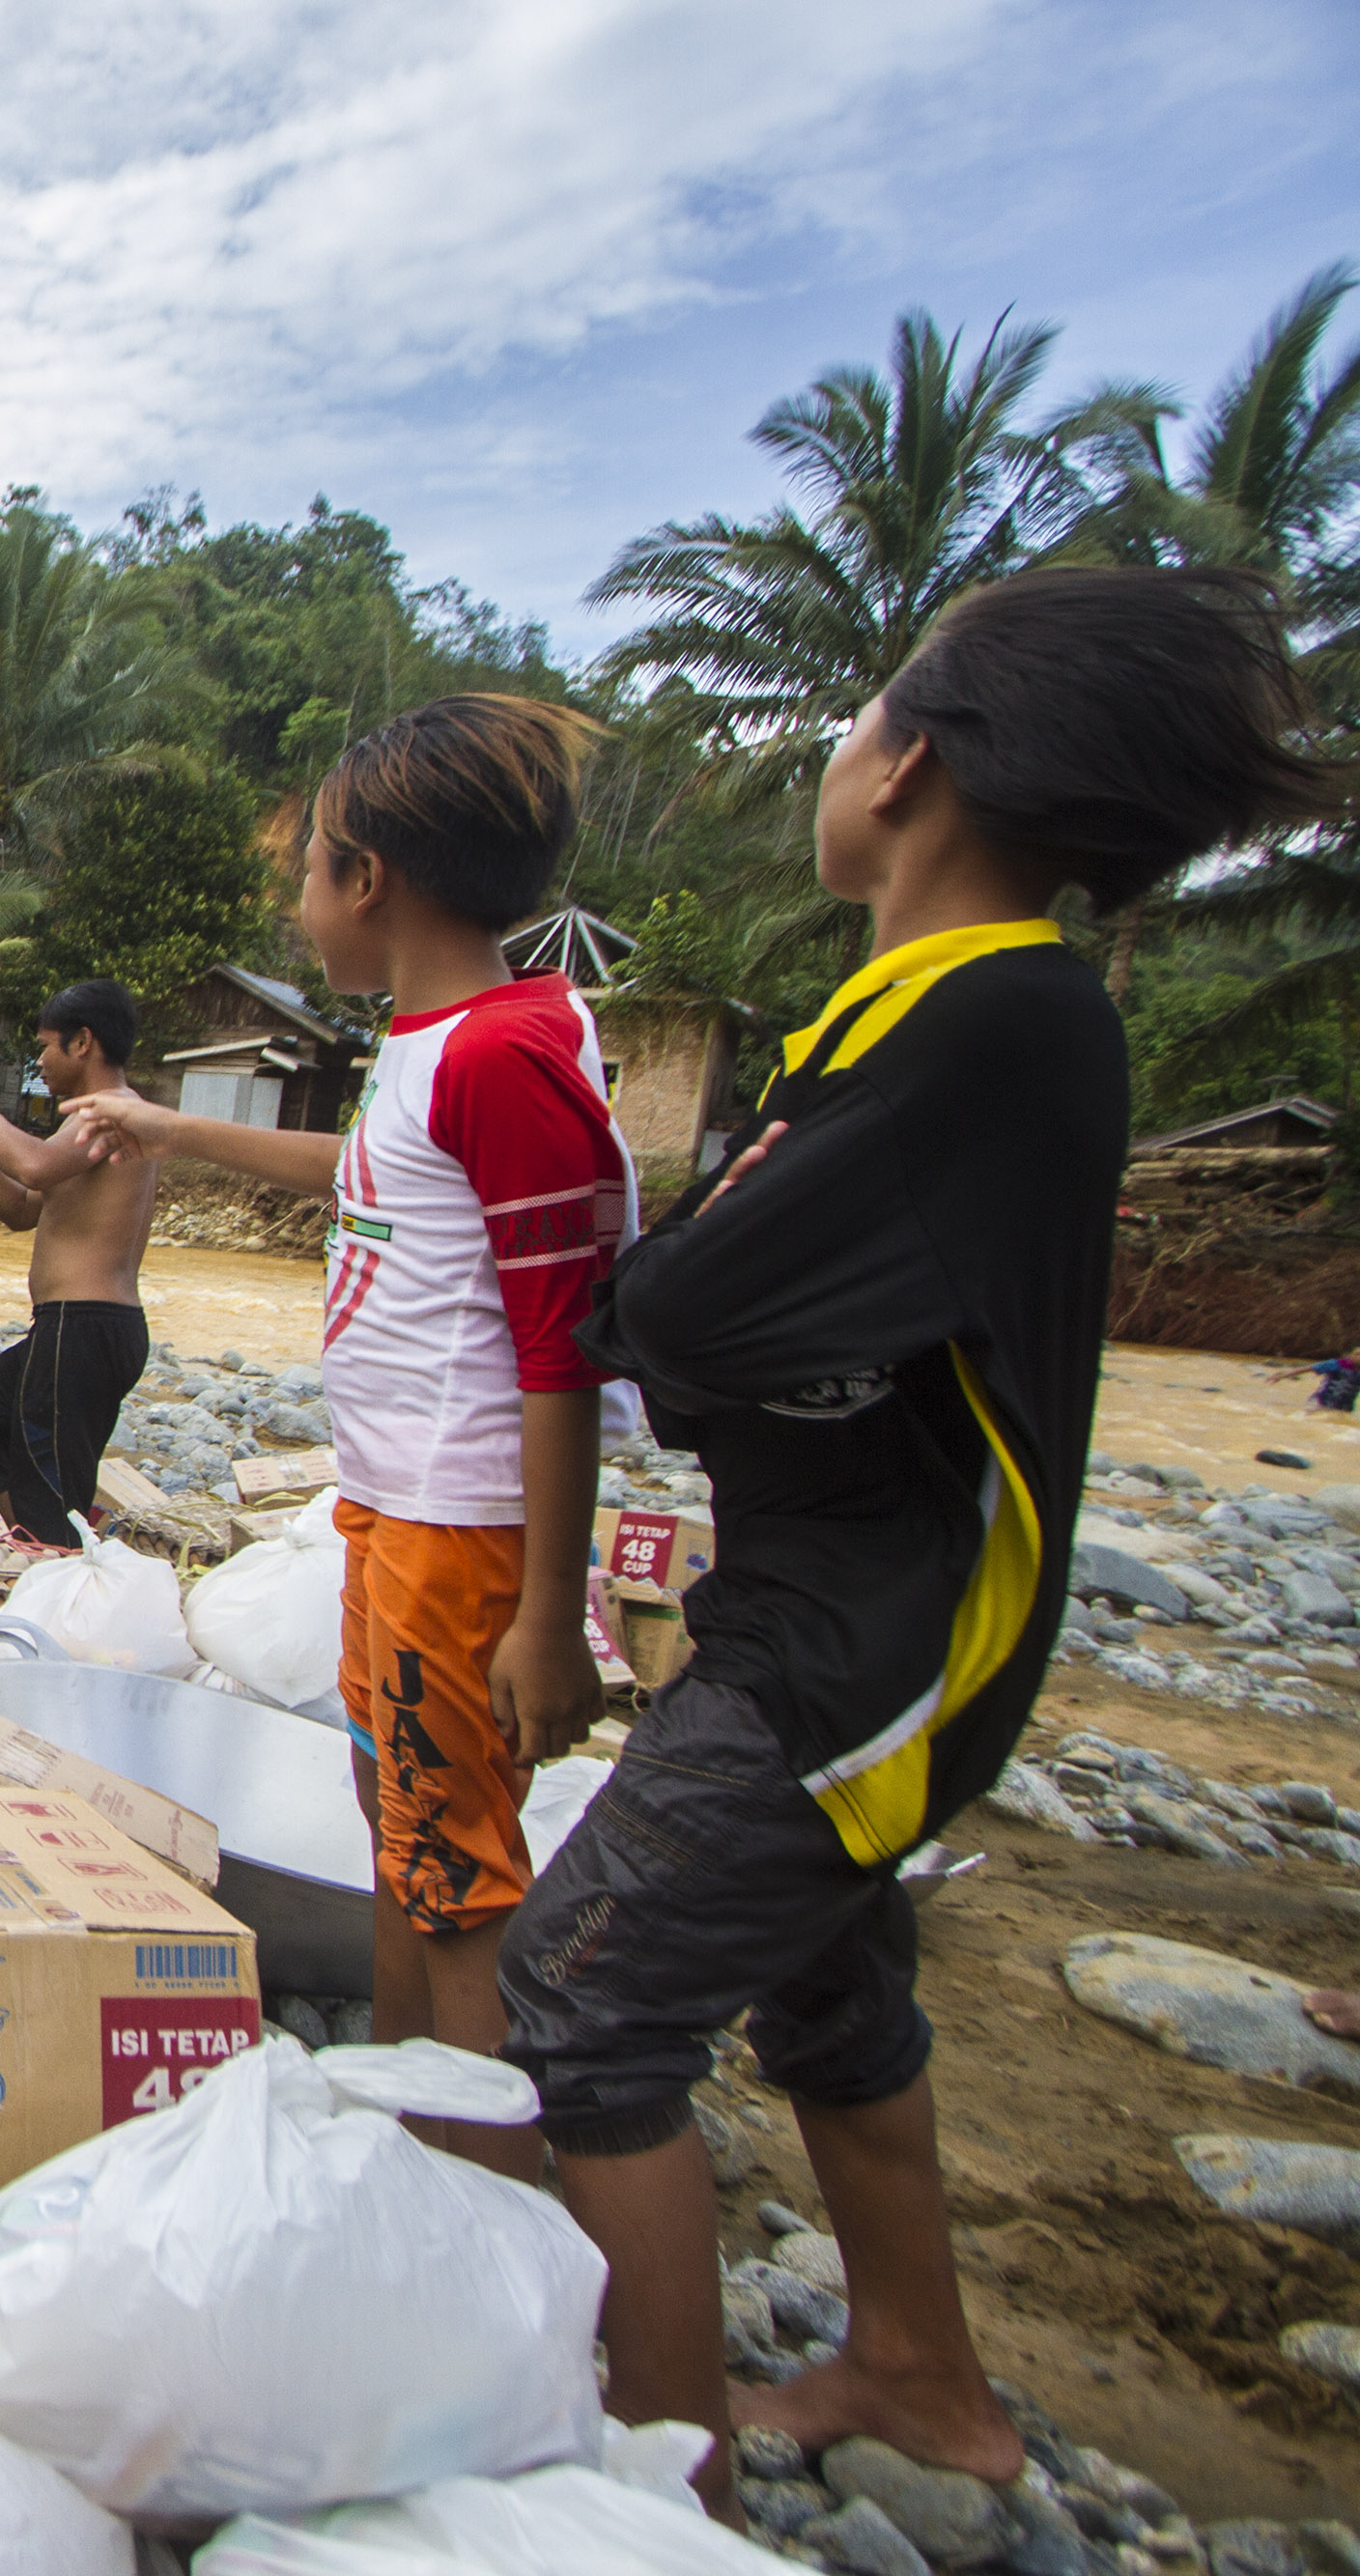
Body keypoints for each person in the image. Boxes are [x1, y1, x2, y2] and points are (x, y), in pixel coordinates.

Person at [497, 571, 1352, 2516]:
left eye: (858, 712)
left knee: (580, 1994)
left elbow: (695, 1305)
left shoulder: (998, 1022)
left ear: (913, 767)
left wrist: (657, 1296)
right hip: (831, 1600)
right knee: (822, 1975)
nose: (836, 748)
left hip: (868, 1636)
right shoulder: (930, 1005)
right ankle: (917, 2368)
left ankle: (657, 2491)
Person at [73, 696, 633, 2183]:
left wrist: (546, 1612)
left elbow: (565, 1342)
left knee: (458, 1879)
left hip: (463, 1539)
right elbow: (371, 1164)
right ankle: (401, 2141)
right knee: (407, 1831)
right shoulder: (437, 1040)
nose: (296, 895)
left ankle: (480, 2204)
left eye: (311, 864)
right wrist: (171, 1126)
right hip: (393, 1515)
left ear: (369, 878)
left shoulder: (509, 1055)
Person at [0, 982, 157, 1543]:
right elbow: (22, 1209)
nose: (40, 1063)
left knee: (54, 1487)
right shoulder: (85, 1122)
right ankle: (36, 1547)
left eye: (45, 1047)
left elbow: (32, 1167)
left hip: (83, 1328)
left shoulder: (113, 1115)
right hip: (75, 1330)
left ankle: (57, 1568)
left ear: (82, 1043)